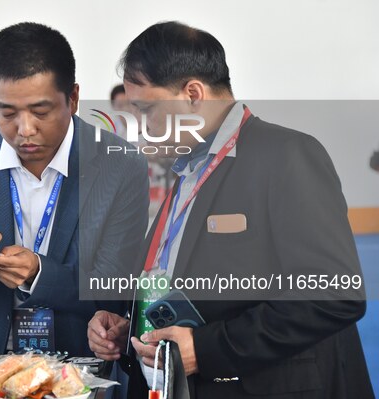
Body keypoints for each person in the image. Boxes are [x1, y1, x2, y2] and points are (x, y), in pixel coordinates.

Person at [87, 22, 373, 398]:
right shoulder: (190, 169)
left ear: (192, 95)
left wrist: (204, 350)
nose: (140, 126)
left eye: (146, 110)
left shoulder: (285, 154)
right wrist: (133, 330)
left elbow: (333, 296)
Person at [0, 22, 149, 357]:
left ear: (73, 98)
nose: (25, 130)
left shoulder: (120, 166)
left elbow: (116, 292)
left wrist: (39, 273)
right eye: (6, 113)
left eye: (41, 111)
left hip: (80, 370)